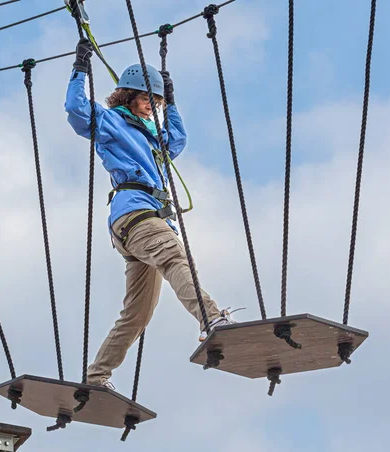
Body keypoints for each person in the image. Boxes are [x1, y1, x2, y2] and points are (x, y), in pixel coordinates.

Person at [64, 38, 237, 390]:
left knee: (138, 313)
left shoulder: (152, 135)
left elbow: (178, 140)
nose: (149, 107)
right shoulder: (112, 122)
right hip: (137, 216)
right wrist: (80, 68)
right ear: (127, 97)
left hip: (143, 222)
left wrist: (170, 103)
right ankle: (212, 319)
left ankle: (96, 377)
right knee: (175, 257)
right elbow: (77, 110)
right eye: (146, 100)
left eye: (154, 103)